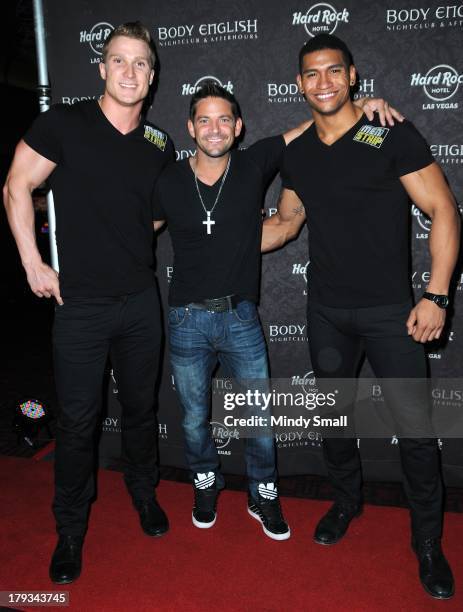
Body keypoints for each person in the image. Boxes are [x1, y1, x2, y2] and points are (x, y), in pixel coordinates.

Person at [152, 81, 399, 541]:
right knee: (191, 415)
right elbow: (136, 230)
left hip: (241, 317)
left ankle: (263, 492)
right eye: (203, 119)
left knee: (260, 417)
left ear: (239, 126)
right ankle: (205, 481)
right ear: (190, 127)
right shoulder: (168, 179)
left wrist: (357, 106)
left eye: (224, 118)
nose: (214, 128)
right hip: (186, 318)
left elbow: (307, 129)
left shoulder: (254, 163)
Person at [262, 34, 460, 599]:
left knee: (417, 435)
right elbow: (286, 223)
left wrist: (437, 294)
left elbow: (442, 207)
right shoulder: (297, 154)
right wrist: (221, 244)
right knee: (334, 421)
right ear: (299, 84)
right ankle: (346, 502)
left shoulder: (388, 133)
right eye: (311, 74)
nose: (322, 82)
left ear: (353, 77)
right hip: (326, 313)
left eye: (333, 71)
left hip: (392, 315)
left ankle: (427, 541)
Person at [3, 22, 173, 584]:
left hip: (140, 303)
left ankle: (144, 495)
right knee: (78, 424)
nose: (129, 72)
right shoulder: (65, 123)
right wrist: (32, 261)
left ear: (152, 76)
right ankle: (70, 529)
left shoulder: (159, 143)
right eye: (119, 61)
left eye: (140, 63)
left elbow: (154, 215)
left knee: (143, 411)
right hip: (80, 306)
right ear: (102, 69)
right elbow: (16, 185)